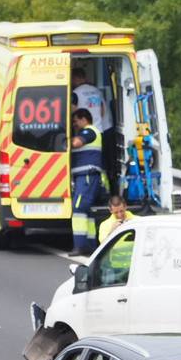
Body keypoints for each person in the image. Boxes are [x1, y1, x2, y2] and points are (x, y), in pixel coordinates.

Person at [69, 108, 103, 257]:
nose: (74, 125)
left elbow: (76, 143)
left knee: (78, 209)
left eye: (76, 121)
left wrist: (62, 140)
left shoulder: (89, 131)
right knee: (87, 213)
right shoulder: (87, 131)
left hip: (87, 176)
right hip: (85, 177)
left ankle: (80, 246)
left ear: (84, 119)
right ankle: (90, 246)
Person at [70, 67, 110, 132]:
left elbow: (72, 113)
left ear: (75, 78)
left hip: (84, 131)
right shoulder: (97, 90)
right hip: (98, 129)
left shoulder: (75, 93)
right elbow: (102, 111)